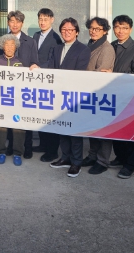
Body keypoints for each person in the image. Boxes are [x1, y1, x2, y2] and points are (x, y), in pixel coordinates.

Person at [46, 18, 91, 178]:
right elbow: (51, 68)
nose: (66, 32)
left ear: (77, 32)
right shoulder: (57, 48)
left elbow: (78, 73)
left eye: (70, 30)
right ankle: (65, 157)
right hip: (58, 95)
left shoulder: (83, 50)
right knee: (62, 127)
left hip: (73, 95)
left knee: (74, 130)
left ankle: (76, 162)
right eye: (64, 29)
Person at [110, 15, 134, 179]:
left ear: (131, 30)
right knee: (115, 130)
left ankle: (130, 165)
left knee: (130, 132)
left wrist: (113, 75)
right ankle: (120, 157)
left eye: (124, 28)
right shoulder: (111, 46)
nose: (120, 31)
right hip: (113, 96)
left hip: (130, 97)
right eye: (117, 27)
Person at [0, 10, 40, 159]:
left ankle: (27, 147)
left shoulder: (30, 41)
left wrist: (34, 65)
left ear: (22, 23)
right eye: (12, 21)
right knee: (9, 117)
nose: (15, 24)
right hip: (7, 87)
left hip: (24, 86)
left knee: (24, 118)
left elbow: (35, 60)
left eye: (18, 21)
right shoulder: (3, 40)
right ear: (8, 23)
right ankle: (10, 145)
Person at [82, 17, 116, 175]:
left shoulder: (106, 48)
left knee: (103, 130)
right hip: (89, 93)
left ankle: (102, 161)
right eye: (91, 28)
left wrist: (81, 76)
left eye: (97, 29)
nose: (93, 31)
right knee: (92, 128)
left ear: (105, 31)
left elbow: (102, 72)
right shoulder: (90, 45)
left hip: (101, 94)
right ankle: (92, 155)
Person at [32, 8, 63, 162]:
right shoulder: (36, 35)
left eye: (45, 19)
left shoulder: (56, 38)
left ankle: (52, 151)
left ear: (52, 20)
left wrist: (39, 67)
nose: (42, 22)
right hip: (36, 81)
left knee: (50, 117)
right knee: (40, 115)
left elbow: (53, 60)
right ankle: (43, 144)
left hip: (49, 82)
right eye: (40, 19)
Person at [0, 34, 26, 166]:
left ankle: (17, 153)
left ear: (16, 47)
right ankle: (1, 151)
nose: (9, 47)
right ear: (2, 46)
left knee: (18, 127)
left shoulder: (21, 62)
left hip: (17, 101)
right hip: (0, 100)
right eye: (6, 44)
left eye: (12, 45)